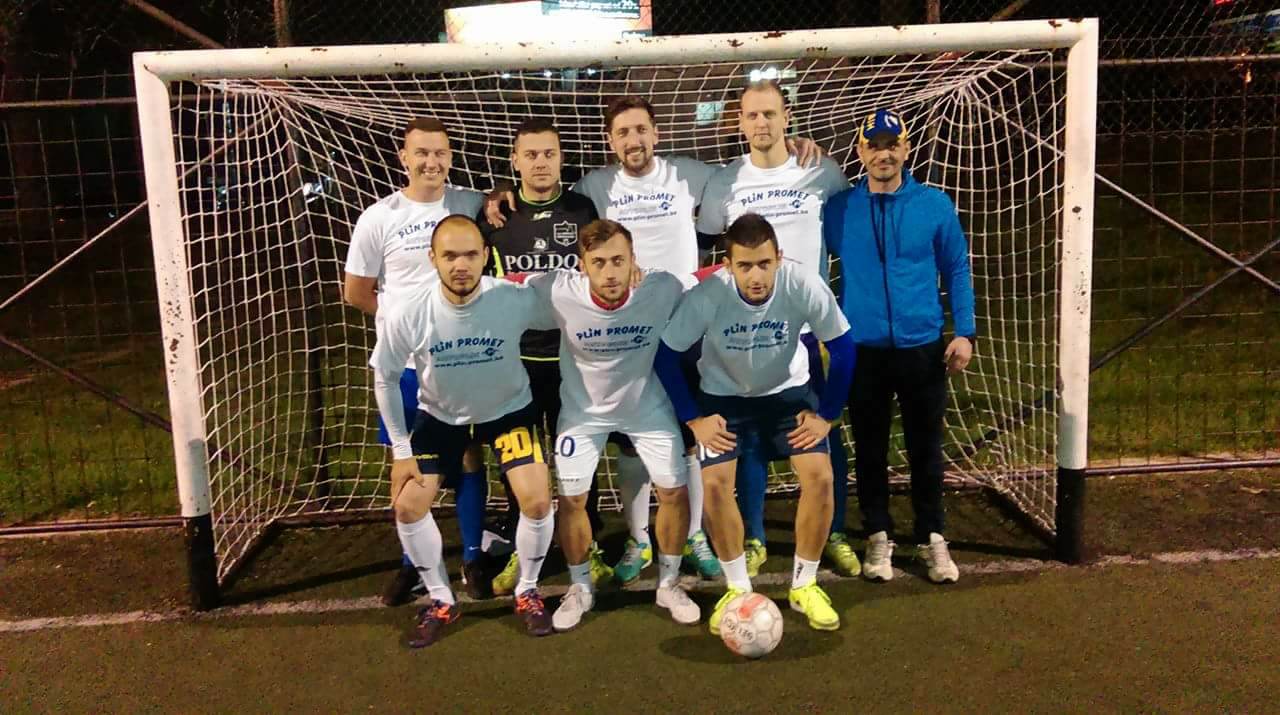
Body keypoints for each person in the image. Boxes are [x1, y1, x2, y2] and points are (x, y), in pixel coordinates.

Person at [655, 213, 856, 634]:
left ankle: (804, 584)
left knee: (820, 477)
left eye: (764, 263)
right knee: (714, 485)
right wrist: (693, 419)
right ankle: (737, 589)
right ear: (728, 265)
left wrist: (827, 415)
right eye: (745, 266)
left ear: (779, 257)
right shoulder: (708, 295)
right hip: (724, 401)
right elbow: (666, 355)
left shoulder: (802, 284)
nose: (756, 275)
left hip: (788, 398)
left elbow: (842, 347)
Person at [697, 80, 860, 579]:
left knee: (823, 432)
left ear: (787, 117)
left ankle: (834, 533)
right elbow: (704, 249)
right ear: (740, 122)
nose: (761, 123)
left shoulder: (821, 170)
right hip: (747, 332)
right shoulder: (724, 182)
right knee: (747, 438)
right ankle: (754, 538)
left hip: (810, 330)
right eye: (752, 115)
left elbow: (846, 226)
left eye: (770, 113)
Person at [370, 214, 559, 644]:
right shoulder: (410, 310)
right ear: (432, 258)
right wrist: (401, 450)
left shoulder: (512, 298)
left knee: (536, 499)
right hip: (441, 418)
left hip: (508, 413)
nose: (461, 265)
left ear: (486, 256)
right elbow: (384, 377)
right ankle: (441, 598)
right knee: (408, 506)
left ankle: (528, 591)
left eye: (471, 254)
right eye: (450, 255)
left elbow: (572, 298)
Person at [514, 219, 700, 630]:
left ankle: (669, 583)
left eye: (619, 260)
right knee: (572, 500)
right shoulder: (558, 290)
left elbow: (710, 282)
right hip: (582, 415)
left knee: (675, 491)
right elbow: (503, 289)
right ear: (582, 265)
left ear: (634, 260)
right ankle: (580, 587)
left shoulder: (662, 288)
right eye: (598, 262)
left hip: (647, 408)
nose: (610, 272)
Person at [823, 108, 976, 584]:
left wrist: (965, 331)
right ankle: (878, 534)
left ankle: (932, 535)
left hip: (921, 347)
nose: (883, 154)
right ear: (860, 151)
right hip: (863, 348)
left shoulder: (933, 204)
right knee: (869, 449)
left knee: (925, 448)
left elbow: (957, 267)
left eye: (892, 145)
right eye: (874, 146)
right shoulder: (839, 209)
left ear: (906, 149)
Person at [341, 117, 488, 605]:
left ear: (450, 157)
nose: (431, 162)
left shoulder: (467, 205)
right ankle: (413, 563)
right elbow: (356, 292)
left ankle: (472, 557)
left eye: (440, 153)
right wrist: (404, 323)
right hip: (405, 369)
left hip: (461, 362)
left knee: (468, 456)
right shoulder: (378, 217)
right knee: (406, 463)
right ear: (404, 158)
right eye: (421, 153)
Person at [477, 117, 612, 594]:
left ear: (561, 158)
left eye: (549, 154)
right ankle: (523, 548)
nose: (540, 163)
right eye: (530, 154)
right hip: (515, 365)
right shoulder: (495, 216)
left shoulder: (581, 209)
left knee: (579, 461)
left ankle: (588, 547)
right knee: (519, 463)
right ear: (515, 160)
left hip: (573, 361)